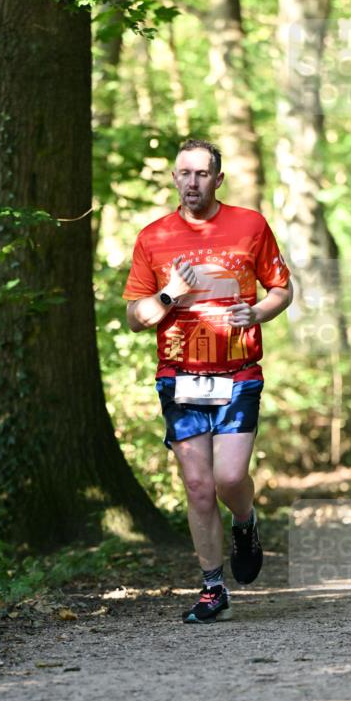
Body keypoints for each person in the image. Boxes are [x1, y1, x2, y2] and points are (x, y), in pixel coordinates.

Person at [123, 138, 293, 624]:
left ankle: (246, 522)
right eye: (184, 174)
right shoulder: (153, 237)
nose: (192, 182)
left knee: (229, 477)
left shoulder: (250, 226)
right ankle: (212, 588)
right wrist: (171, 293)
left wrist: (257, 311)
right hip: (179, 377)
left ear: (218, 179)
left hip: (238, 372)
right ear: (174, 178)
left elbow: (281, 288)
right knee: (198, 486)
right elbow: (137, 317)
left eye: (201, 174)